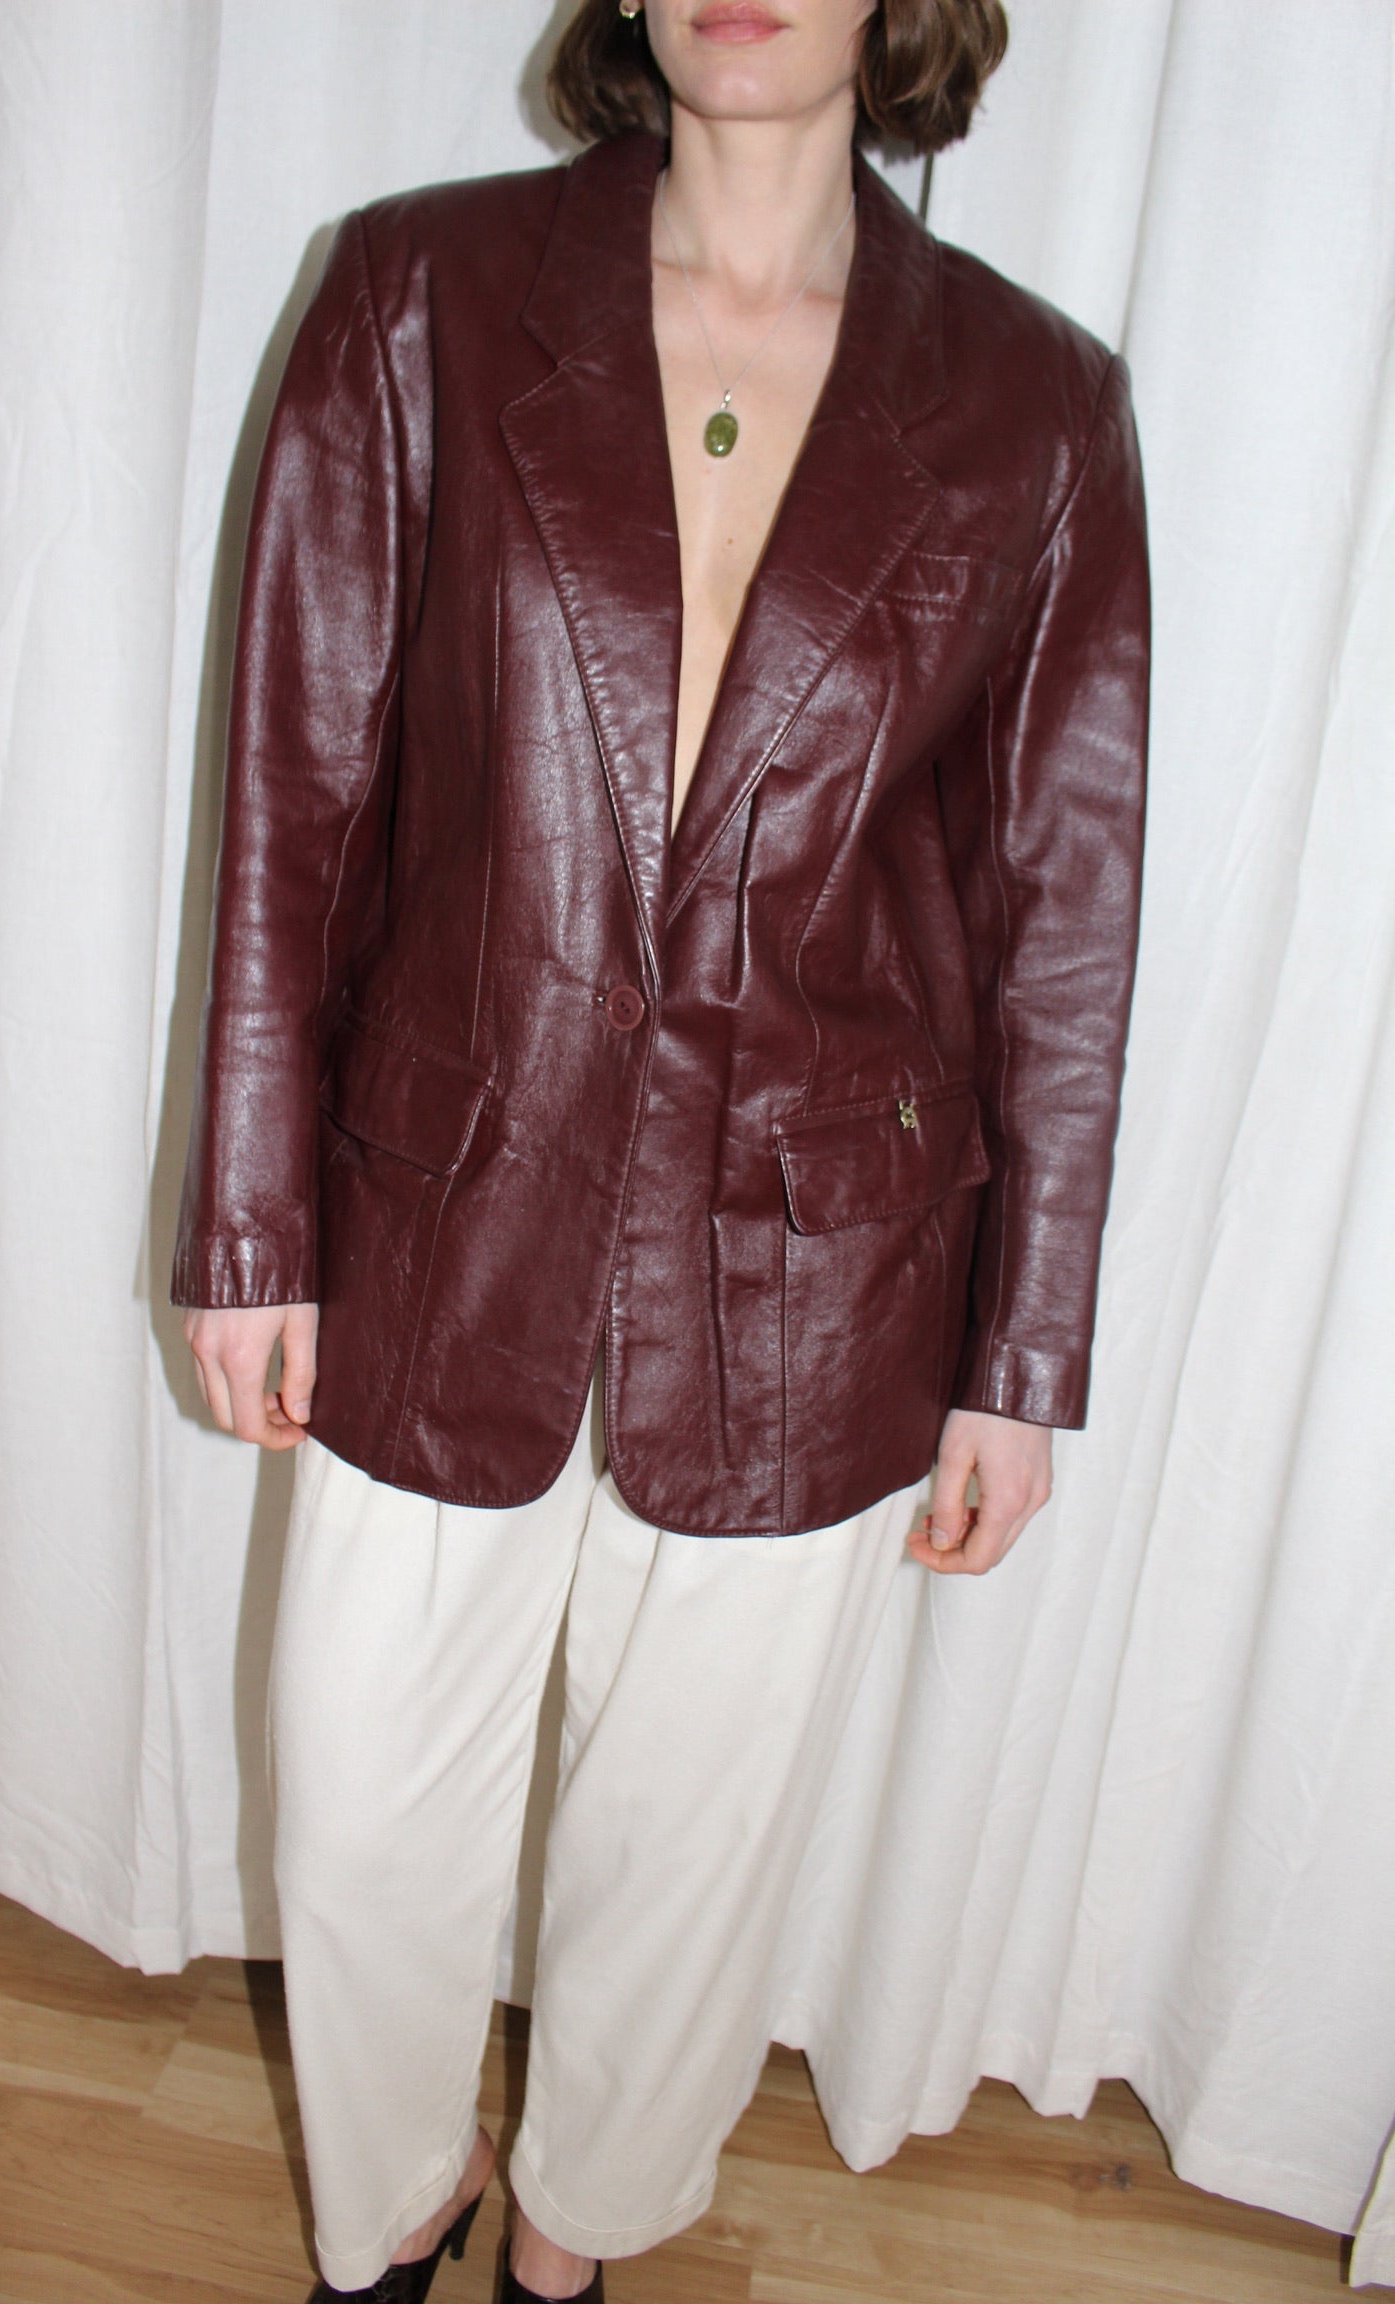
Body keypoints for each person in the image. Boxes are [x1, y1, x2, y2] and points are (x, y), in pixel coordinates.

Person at [172, 0, 1149, 2295]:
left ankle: (574, 2244)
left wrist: (1023, 1355)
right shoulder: (416, 299)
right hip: (442, 1194)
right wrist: (249, 1212)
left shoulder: (1035, 407)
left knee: (687, 1856)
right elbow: (296, 791)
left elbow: (1064, 912)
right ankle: (389, 2220)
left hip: (815, 1259)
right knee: (361, 1821)